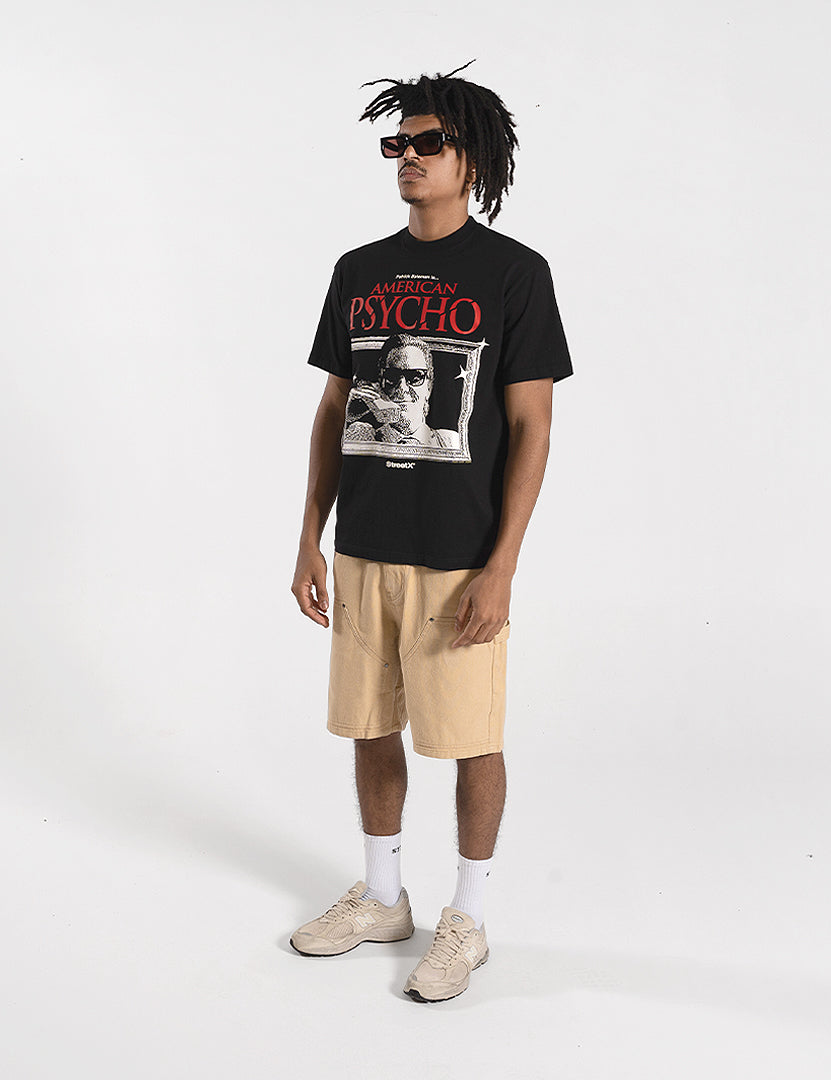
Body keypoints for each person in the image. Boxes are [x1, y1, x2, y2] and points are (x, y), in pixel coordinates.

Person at [289, 61, 572, 1003]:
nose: (406, 157)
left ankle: (469, 918)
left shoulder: (515, 273)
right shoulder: (358, 271)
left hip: (460, 557)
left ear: (471, 158)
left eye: (426, 143)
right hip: (363, 547)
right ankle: (382, 898)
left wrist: (503, 566)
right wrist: (309, 537)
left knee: (470, 736)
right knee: (369, 725)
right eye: (396, 143)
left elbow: (531, 428)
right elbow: (335, 410)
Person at [345, 332, 460, 449]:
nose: (402, 388)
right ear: (381, 382)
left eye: (415, 377)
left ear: (429, 386)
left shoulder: (448, 441)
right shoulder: (362, 436)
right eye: (392, 376)